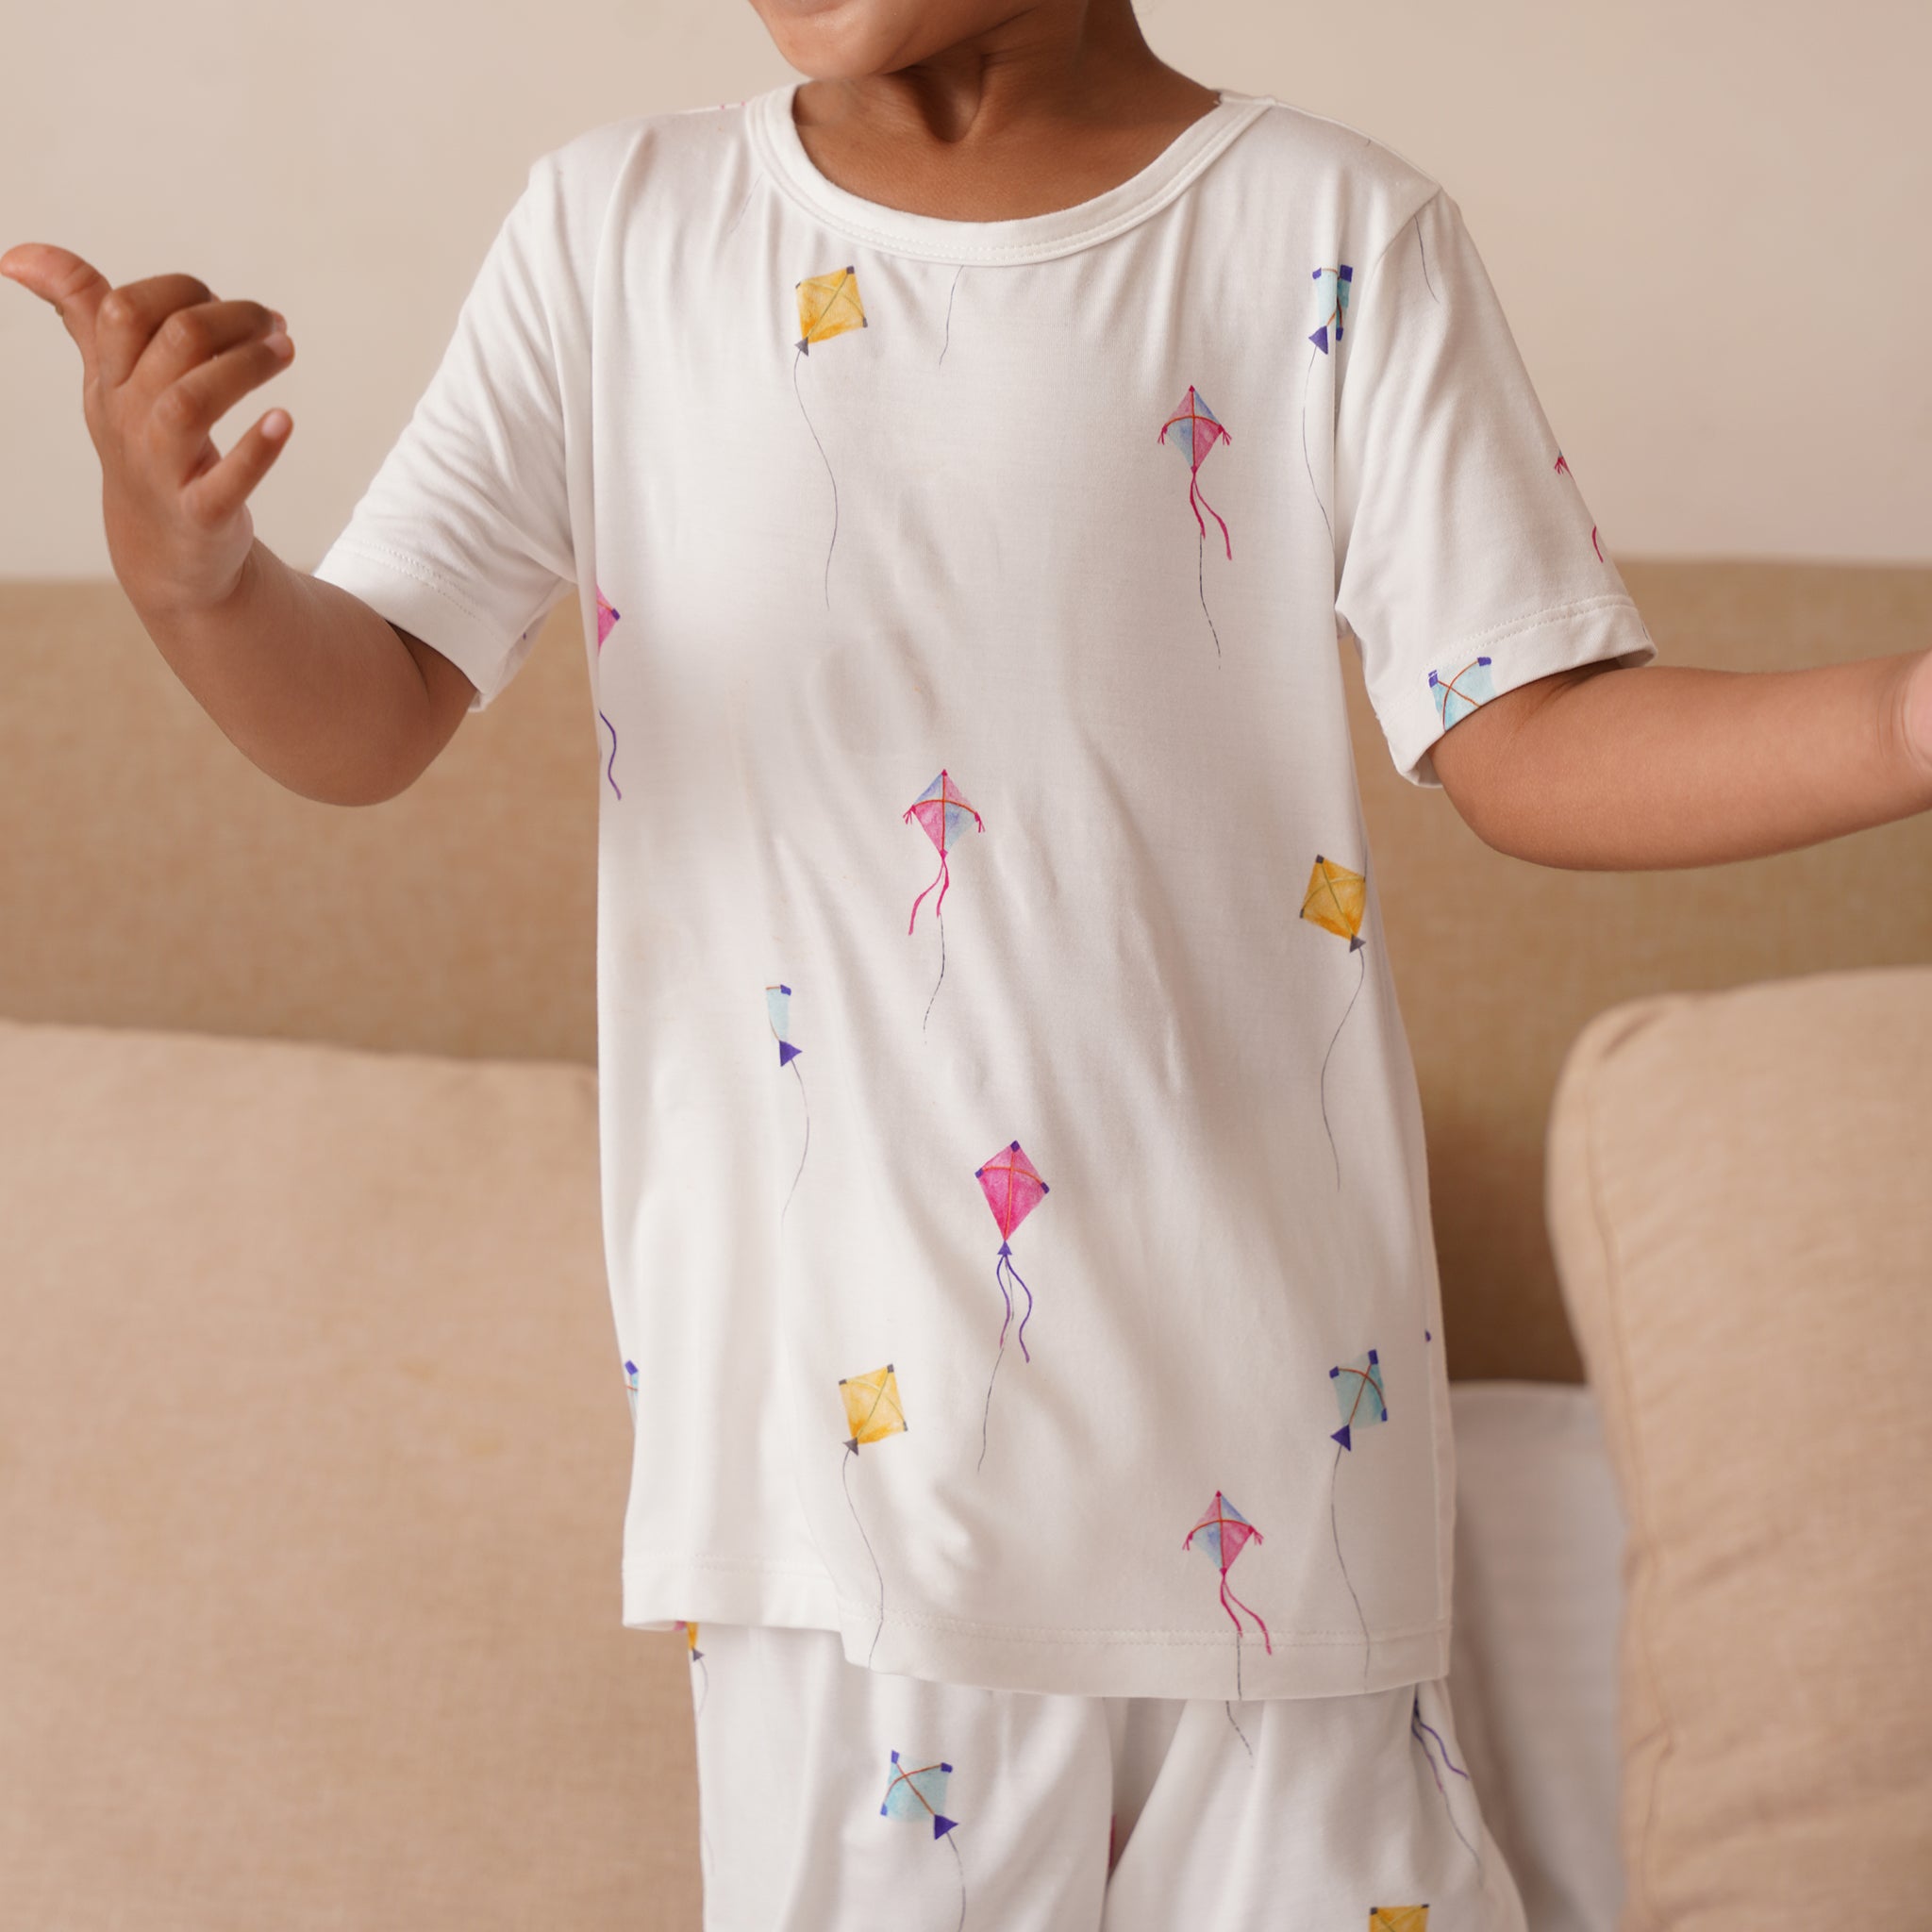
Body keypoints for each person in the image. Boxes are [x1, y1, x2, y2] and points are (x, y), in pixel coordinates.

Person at [7, 2, 1929, 1924]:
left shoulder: (1327, 230)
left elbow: (1530, 733)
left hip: (1272, 1448)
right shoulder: (618, 230)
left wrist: (1907, 717)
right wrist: (198, 577)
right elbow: (372, 708)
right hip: (845, 1525)